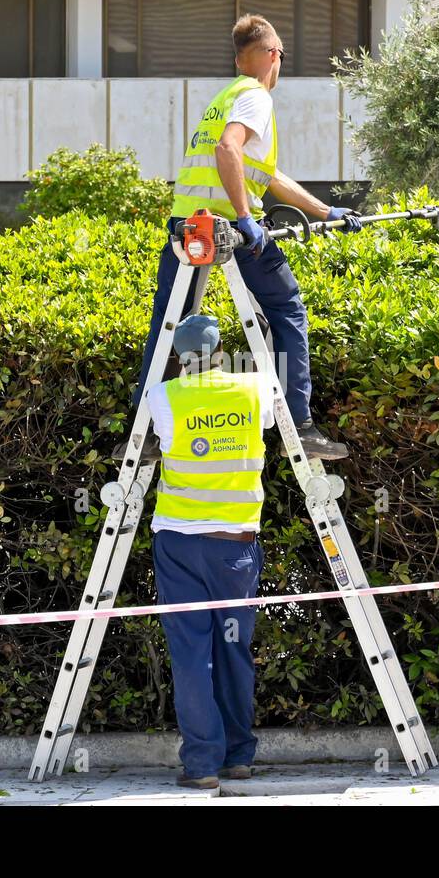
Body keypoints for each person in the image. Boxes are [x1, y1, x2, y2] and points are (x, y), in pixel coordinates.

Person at [122, 12, 361, 466]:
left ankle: (146, 431)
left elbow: (267, 175)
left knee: (167, 323)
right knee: (287, 308)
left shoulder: (226, 96)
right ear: (273, 55)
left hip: (186, 230)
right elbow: (228, 149)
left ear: (238, 59)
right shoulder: (256, 97)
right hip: (230, 233)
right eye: (281, 56)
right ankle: (301, 425)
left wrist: (325, 210)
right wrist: (248, 219)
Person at [146, 313, 274, 790]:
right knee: (233, 649)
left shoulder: (164, 397)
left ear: (178, 357)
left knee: (191, 653)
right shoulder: (254, 389)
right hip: (235, 546)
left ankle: (201, 766)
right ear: (222, 350)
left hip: (179, 543)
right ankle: (238, 756)